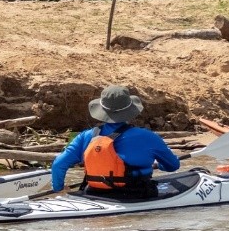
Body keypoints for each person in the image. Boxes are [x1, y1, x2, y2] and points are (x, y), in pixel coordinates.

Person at [51, 85, 181, 199]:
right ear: (130, 111)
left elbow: (58, 164)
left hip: (94, 193)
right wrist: (159, 164)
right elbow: (173, 166)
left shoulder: (85, 136)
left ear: (102, 111)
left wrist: (59, 190)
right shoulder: (148, 137)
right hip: (135, 194)